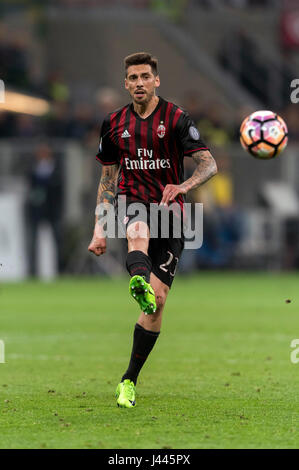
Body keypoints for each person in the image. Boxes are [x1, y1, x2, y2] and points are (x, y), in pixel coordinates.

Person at [88, 52, 217, 408]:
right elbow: (108, 179)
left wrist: (184, 186)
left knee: (157, 305)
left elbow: (209, 164)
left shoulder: (176, 118)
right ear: (125, 83)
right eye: (133, 77)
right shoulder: (113, 123)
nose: (140, 83)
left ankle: (128, 379)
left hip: (172, 213)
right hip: (135, 203)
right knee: (137, 230)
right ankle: (138, 281)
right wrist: (100, 229)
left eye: (146, 76)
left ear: (156, 80)